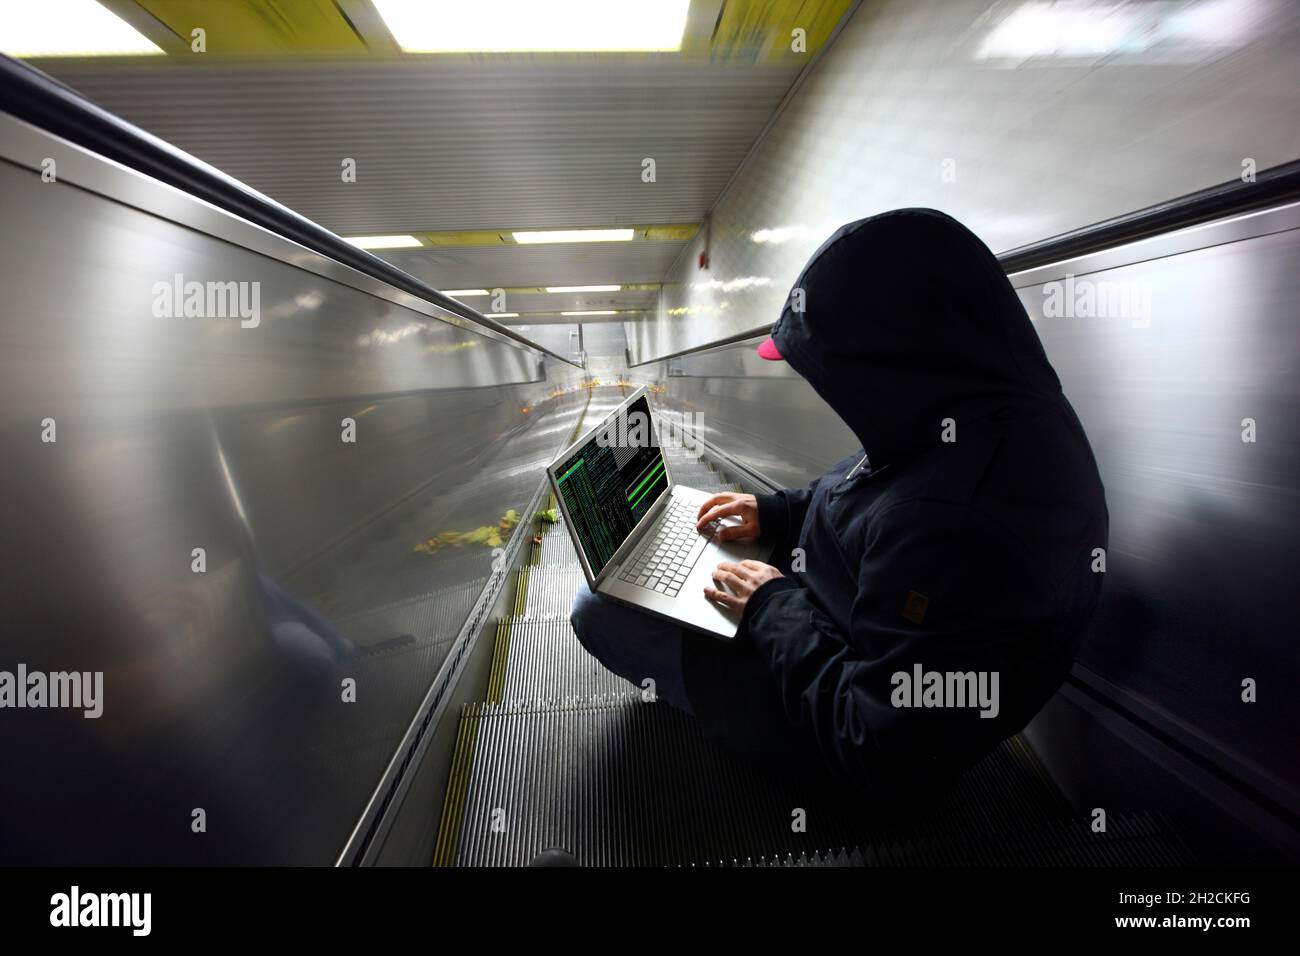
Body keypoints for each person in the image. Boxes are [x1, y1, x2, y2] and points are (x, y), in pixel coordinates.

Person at [571, 208, 1108, 797]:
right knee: (652, 567)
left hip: (833, 727)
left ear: (888, 367)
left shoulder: (960, 521)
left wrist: (771, 606)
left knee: (595, 607)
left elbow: (874, 744)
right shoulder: (967, 411)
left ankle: (734, 733)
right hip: (829, 615)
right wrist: (777, 513)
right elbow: (857, 497)